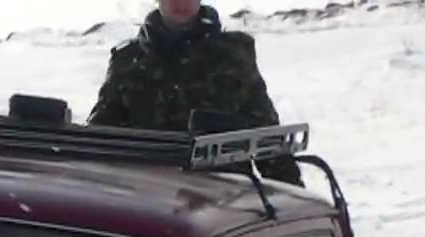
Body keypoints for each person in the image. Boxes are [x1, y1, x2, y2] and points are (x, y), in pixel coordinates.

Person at [88, 0, 302, 187]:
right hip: (148, 200)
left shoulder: (232, 57)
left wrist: (296, 205)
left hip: (223, 202)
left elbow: (267, 140)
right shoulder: (128, 61)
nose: (181, 2)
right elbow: (100, 138)